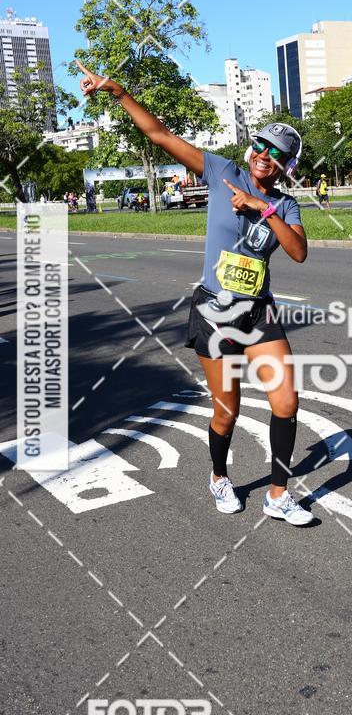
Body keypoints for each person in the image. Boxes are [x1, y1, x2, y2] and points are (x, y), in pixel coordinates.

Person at [75, 58, 313, 526]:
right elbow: (161, 136)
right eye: (260, 145)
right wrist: (119, 93)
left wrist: (263, 209)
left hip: (258, 312)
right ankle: (220, 477)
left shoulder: (284, 203)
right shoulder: (223, 172)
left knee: (286, 402)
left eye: (276, 153)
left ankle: (278, 494)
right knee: (227, 412)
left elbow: (299, 252)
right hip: (215, 310)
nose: (264, 154)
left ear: (287, 165)